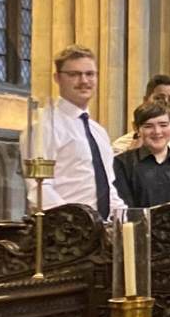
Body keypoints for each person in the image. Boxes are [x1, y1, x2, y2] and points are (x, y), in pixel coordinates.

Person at [41, 45, 124, 217]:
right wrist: (75, 223)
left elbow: (109, 189)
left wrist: (129, 222)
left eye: (90, 74)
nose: (84, 81)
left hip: (103, 231)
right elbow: (40, 188)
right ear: (57, 78)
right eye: (74, 74)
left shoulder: (98, 132)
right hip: (67, 232)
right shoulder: (44, 125)